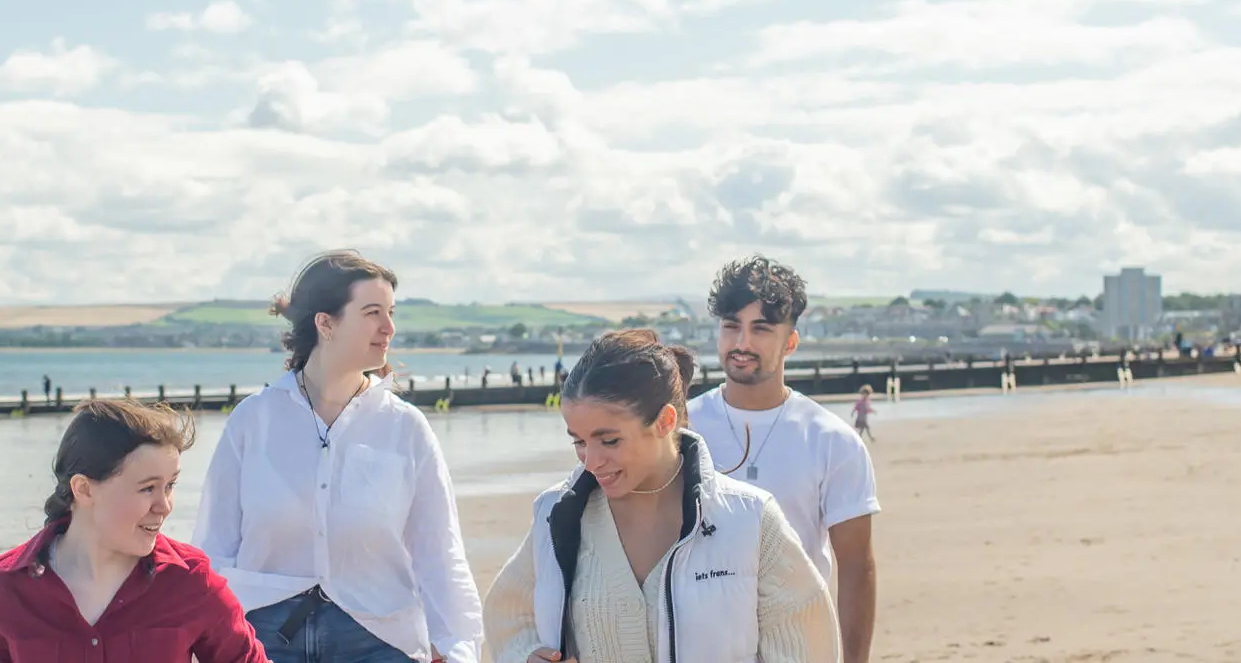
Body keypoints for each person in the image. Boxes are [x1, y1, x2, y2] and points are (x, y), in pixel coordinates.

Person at [194, 250, 483, 663]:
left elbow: (439, 551)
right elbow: (214, 546)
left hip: (381, 639)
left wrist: (458, 649)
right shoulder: (252, 420)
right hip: (264, 641)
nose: (389, 328)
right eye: (372, 313)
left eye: (391, 312)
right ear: (325, 322)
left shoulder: (406, 428)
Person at [482, 329, 839, 662]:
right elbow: (508, 617)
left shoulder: (751, 519)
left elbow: (806, 645)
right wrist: (525, 655)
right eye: (578, 440)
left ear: (666, 422)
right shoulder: (556, 515)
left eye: (609, 440)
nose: (591, 461)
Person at [0, 399, 267, 663]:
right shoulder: (3, 590)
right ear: (83, 489)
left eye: (169, 486)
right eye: (147, 488)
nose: (164, 505)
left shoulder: (192, 582)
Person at [685, 255, 880, 663]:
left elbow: (856, 566)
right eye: (731, 326)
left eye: (761, 329)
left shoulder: (833, 441)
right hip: (698, 644)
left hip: (799, 645)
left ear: (790, 341)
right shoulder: (681, 429)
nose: (742, 343)